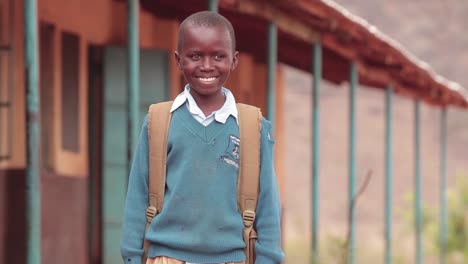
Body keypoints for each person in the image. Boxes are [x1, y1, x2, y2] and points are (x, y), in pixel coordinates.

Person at [120, 11, 284, 264]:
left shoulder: (252, 126)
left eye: (218, 56)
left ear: (234, 60)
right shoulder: (161, 120)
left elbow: (268, 203)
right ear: (178, 60)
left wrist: (268, 259)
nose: (207, 66)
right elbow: (137, 194)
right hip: (167, 257)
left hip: (231, 259)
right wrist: (131, 256)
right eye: (195, 56)